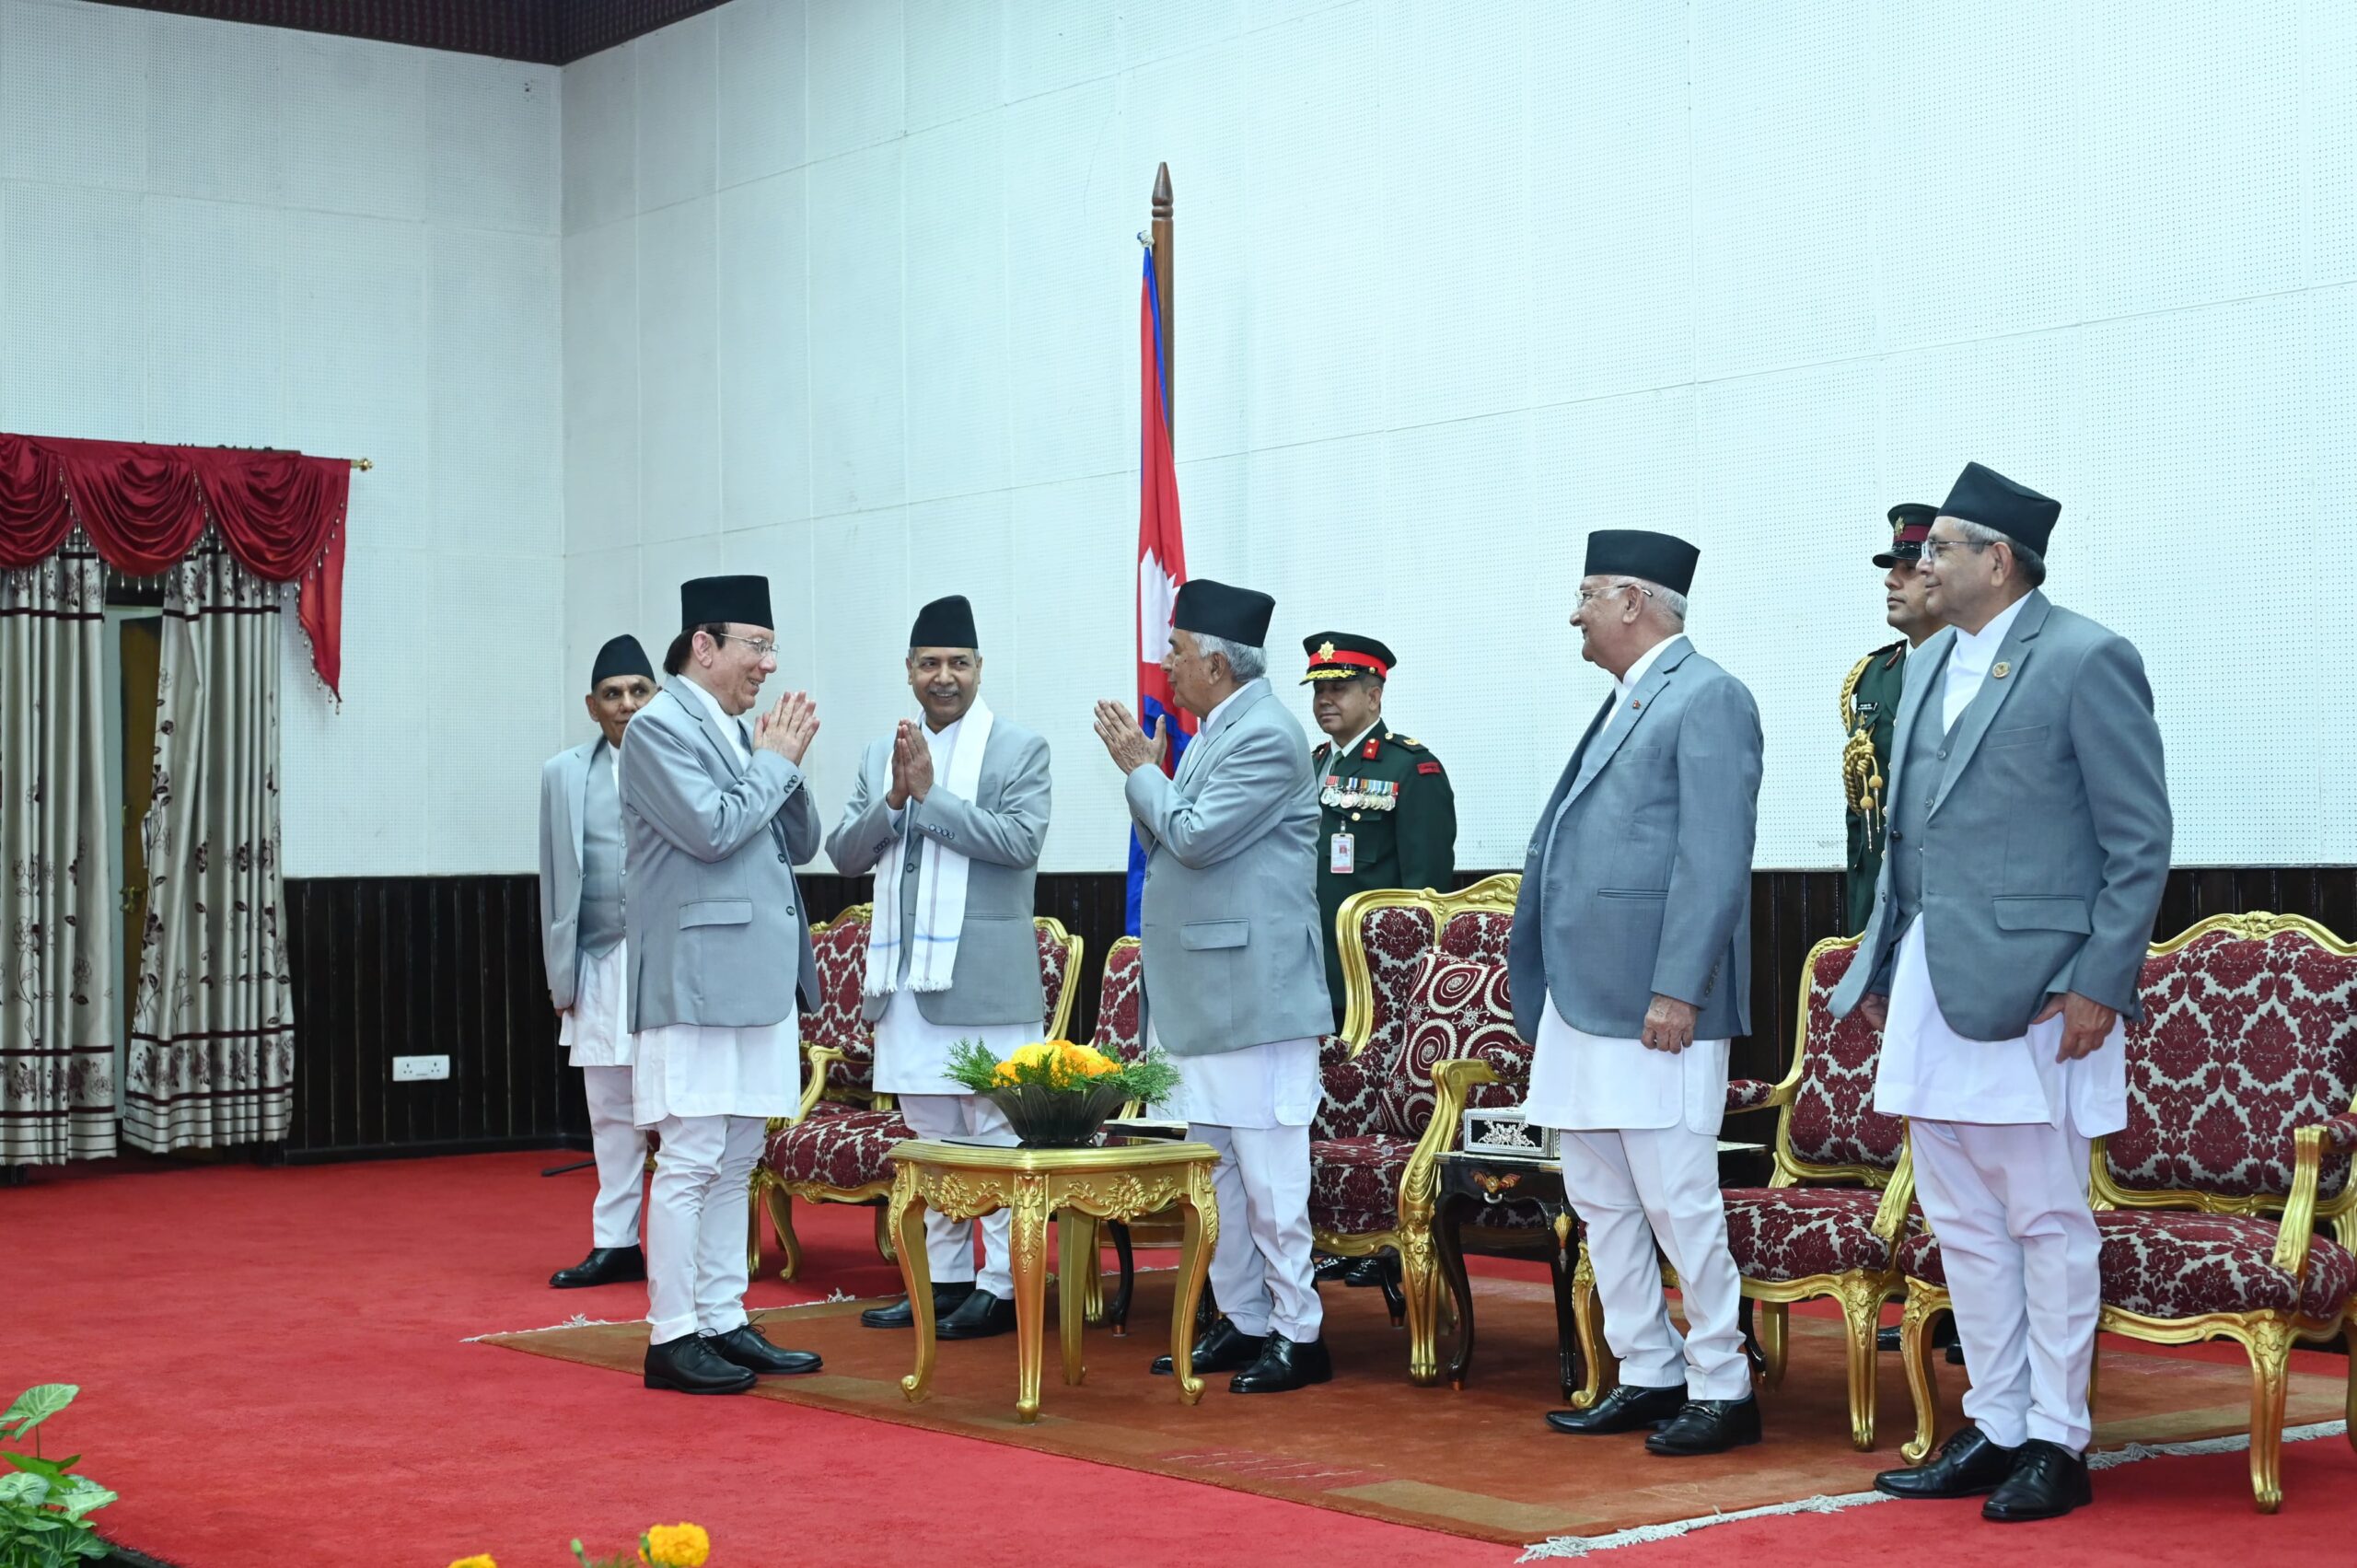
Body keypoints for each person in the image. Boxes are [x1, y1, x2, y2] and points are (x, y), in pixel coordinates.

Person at [1838, 464, 2170, 1522]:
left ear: (1998, 558)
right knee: (1963, 1222)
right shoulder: (1928, 663)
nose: (1922, 563)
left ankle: (2057, 1439)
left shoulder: (2084, 656)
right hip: (1933, 978)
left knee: (2044, 1219)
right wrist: (1884, 962)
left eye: (1939, 547)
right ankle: (1994, 1419)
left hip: (2039, 992)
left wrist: (2096, 981)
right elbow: (1905, 838)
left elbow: (2137, 839)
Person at [1511, 529, 1765, 1457]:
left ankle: (1722, 1383)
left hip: (1656, 1003)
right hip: (1583, 998)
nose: (1573, 613)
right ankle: (1647, 1368)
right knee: (1601, 1195)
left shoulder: (1708, 694)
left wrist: (1678, 987)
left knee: (1677, 1198)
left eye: (1587, 594)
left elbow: (1714, 858)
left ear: (1632, 600)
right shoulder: (1625, 696)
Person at [1092, 579, 1334, 1394]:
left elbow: (1191, 837)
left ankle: (1300, 1331)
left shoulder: (1265, 734)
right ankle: (1245, 1317)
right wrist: (1153, 775)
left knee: (1270, 1175)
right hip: (1210, 991)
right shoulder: (1214, 731)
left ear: (1219, 664)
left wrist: (1140, 771)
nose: (1166, 664)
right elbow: (1174, 839)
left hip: (1256, 996)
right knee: (1218, 1170)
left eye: (1177, 651)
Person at [825, 595, 1051, 1342]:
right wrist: (895, 797)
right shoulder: (879, 754)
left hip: (984, 984)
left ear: (980, 667)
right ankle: (947, 1281)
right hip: (905, 987)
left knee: (996, 1135)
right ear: (909, 670)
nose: (944, 676)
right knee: (931, 1139)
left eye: (958, 662)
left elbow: (1019, 843)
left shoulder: (1019, 748)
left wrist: (932, 796)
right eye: (930, 663)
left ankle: (1004, 1284)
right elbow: (845, 852)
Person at [621, 575, 826, 1396]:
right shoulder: (656, 728)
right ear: (703, 646)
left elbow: (799, 842)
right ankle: (672, 1334)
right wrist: (771, 764)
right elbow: (711, 831)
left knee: (739, 1154)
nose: (769, 664)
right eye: (757, 646)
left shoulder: (742, 731)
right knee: (692, 1155)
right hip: (697, 979)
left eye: (773, 648)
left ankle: (721, 1315)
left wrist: (779, 762)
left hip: (758, 979)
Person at [540, 635, 658, 1290]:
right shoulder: (563, 774)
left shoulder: (684, 762)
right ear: (593, 706)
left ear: (657, 696)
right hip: (598, 959)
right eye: (613, 694)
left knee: (678, 1110)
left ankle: (689, 1244)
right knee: (609, 1110)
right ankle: (615, 1243)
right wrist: (559, 974)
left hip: (667, 961)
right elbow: (555, 880)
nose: (627, 704)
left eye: (639, 690)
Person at [1302, 632, 1457, 1029]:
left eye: (1338, 689)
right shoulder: (1311, 764)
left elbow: (1426, 893)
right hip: (1309, 969)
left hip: (1374, 977)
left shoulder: (1411, 767)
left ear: (1373, 697)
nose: (1324, 700)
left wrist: (1409, 980)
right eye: (1319, 690)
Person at [1841, 504, 1941, 937]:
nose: (1890, 580)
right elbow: (1860, 817)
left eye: (1908, 568)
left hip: (1949, 907)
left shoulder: (1978, 672)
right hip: (1880, 912)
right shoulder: (1872, 677)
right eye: (1891, 568)